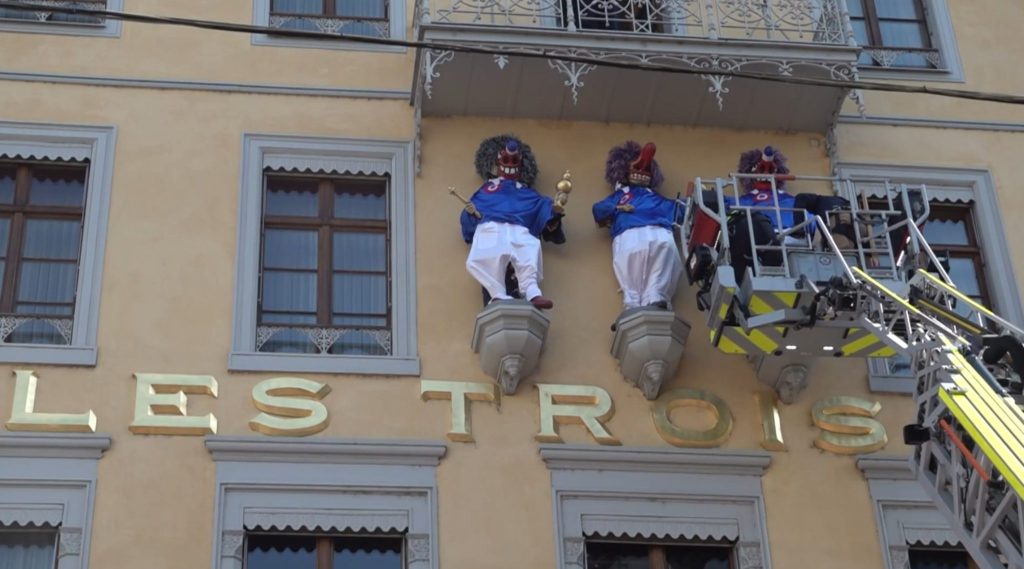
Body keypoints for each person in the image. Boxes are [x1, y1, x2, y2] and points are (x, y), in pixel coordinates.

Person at [460, 135, 564, 310]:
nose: (509, 165)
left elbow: (541, 205)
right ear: (496, 163)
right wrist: (471, 214)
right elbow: (473, 209)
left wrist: (554, 210)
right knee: (482, 257)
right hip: (492, 226)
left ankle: (531, 291)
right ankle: (497, 293)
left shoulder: (525, 191)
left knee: (529, 249)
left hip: (519, 226)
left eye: (514, 161)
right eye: (506, 160)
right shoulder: (487, 189)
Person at [592, 141, 683, 310]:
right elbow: (599, 209)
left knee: (664, 251)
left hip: (659, 232)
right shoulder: (621, 196)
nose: (641, 170)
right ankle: (632, 303)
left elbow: (678, 209)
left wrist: (693, 204)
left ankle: (656, 295)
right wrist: (617, 208)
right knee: (629, 262)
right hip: (629, 233)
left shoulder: (656, 198)